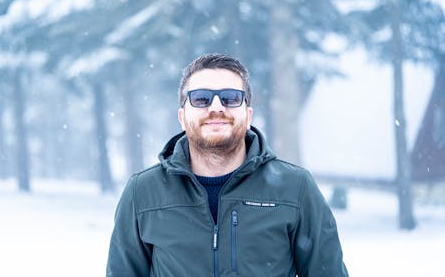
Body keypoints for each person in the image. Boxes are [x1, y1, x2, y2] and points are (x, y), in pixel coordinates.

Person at [106, 53, 349, 277]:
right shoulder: (143, 193)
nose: (216, 107)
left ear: (249, 114)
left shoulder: (295, 188)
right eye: (201, 98)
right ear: (182, 117)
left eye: (230, 98)